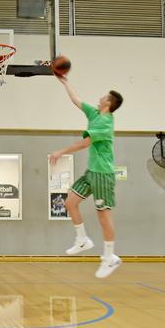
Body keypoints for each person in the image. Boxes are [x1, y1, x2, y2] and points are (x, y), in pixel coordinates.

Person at [49, 75, 123, 278]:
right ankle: (82, 240)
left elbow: (84, 143)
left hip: (103, 174)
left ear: (108, 103)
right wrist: (65, 82)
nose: (100, 98)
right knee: (70, 203)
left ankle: (110, 257)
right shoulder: (95, 114)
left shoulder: (105, 123)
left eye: (104, 97)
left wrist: (60, 152)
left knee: (103, 214)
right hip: (92, 173)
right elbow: (77, 101)